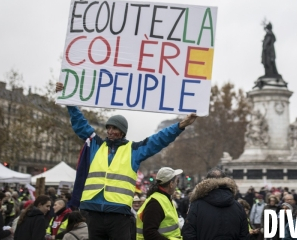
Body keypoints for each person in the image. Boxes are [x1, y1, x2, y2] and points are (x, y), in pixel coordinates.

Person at [55, 82, 197, 240]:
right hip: (93, 212)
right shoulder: (96, 145)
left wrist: (180, 126)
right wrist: (68, 100)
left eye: (114, 128)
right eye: (108, 128)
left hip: (118, 215)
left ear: (122, 132)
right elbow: (80, 123)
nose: (110, 131)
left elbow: (158, 140)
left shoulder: (133, 150)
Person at [182, 171, 248, 240]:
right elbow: (244, 235)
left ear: (205, 182)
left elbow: (188, 233)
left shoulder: (196, 206)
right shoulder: (238, 207)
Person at [136, 167, 183, 240]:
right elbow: (149, 233)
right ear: (171, 184)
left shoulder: (162, 199)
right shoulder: (155, 203)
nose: (177, 184)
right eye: (177, 181)